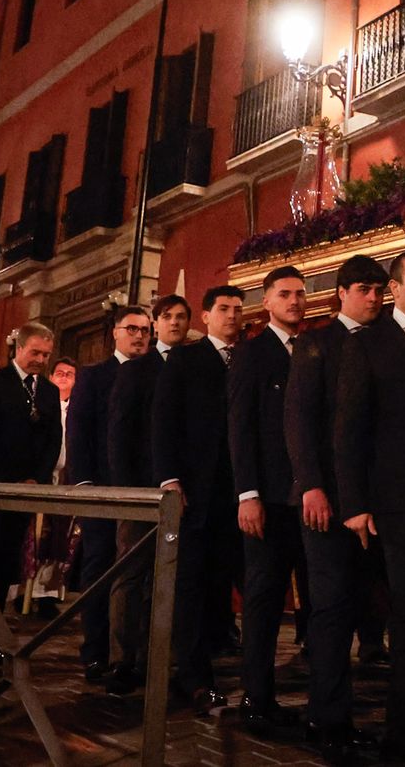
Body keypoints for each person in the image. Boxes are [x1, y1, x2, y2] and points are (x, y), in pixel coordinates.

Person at [336, 250, 405, 766]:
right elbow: (350, 430)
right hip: (398, 502)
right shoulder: (368, 344)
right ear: (396, 289)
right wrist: (355, 503)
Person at [286, 255, 388, 762]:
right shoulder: (318, 343)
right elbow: (300, 420)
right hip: (325, 498)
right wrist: (311, 485)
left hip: (381, 499)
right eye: (364, 289)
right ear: (342, 293)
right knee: (331, 607)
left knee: (371, 604)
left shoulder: (388, 341)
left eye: (379, 290)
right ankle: (326, 716)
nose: (373, 297)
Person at [151, 285, 245, 714]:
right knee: (190, 586)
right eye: (223, 308)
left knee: (226, 585)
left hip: (241, 492)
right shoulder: (185, 360)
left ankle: (230, 668)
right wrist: (171, 479)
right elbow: (165, 421)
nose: (232, 315)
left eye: (238, 309)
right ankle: (190, 676)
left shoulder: (248, 357)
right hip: (197, 492)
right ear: (206, 316)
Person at [226, 266, 307, 740]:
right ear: (268, 301)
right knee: (263, 600)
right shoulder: (252, 354)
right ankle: (256, 697)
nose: (295, 301)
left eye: (300, 293)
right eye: (285, 294)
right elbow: (240, 427)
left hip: (308, 498)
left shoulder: (312, 347)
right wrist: (248, 494)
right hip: (267, 499)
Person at [104, 293, 189, 695]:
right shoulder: (137, 370)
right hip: (139, 489)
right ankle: (122, 660)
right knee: (131, 574)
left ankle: (163, 659)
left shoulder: (194, 365)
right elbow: (120, 434)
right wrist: (127, 491)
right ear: (157, 324)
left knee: (174, 577)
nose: (175, 322)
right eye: (167, 316)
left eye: (182, 316)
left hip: (185, 492)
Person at [0, 321, 63, 669]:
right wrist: (13, 480)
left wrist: (37, 479)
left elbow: (53, 439)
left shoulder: (49, 391)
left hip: (28, 490)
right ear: (18, 349)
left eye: (46, 355)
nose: (40, 360)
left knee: (8, 566)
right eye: (35, 352)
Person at [65, 307, 149, 680]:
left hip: (140, 491)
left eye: (145, 330)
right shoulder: (95, 376)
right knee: (99, 567)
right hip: (101, 488)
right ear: (115, 333)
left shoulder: (155, 373)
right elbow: (79, 430)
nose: (139, 335)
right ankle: (95, 650)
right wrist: (83, 483)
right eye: (132, 328)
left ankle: (132, 653)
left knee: (135, 575)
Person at [26, 356, 78, 618]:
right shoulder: (41, 405)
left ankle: (47, 592)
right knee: (35, 535)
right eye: (59, 372)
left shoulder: (78, 409)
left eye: (70, 373)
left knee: (59, 536)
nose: (64, 377)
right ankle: (24, 590)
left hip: (67, 478)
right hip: (42, 475)